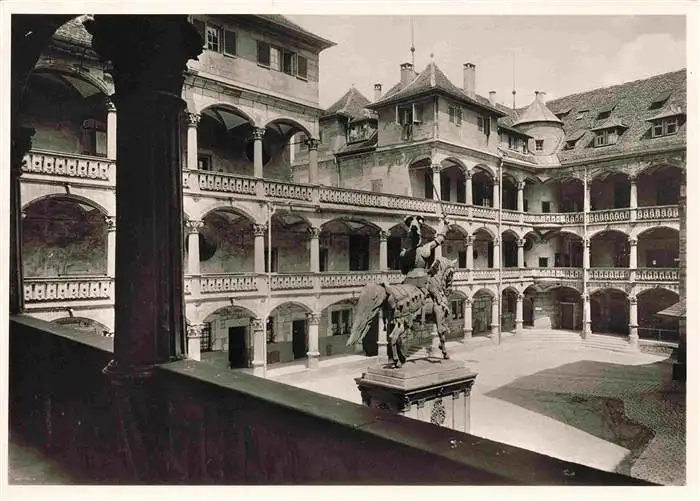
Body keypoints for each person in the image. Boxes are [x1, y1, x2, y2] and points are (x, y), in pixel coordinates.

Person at [399, 215, 451, 339]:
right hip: (422, 279)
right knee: (438, 298)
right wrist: (446, 226)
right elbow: (440, 239)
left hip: (407, 280)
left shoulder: (404, 253)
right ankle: (440, 321)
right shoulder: (424, 249)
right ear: (420, 237)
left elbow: (403, 271)